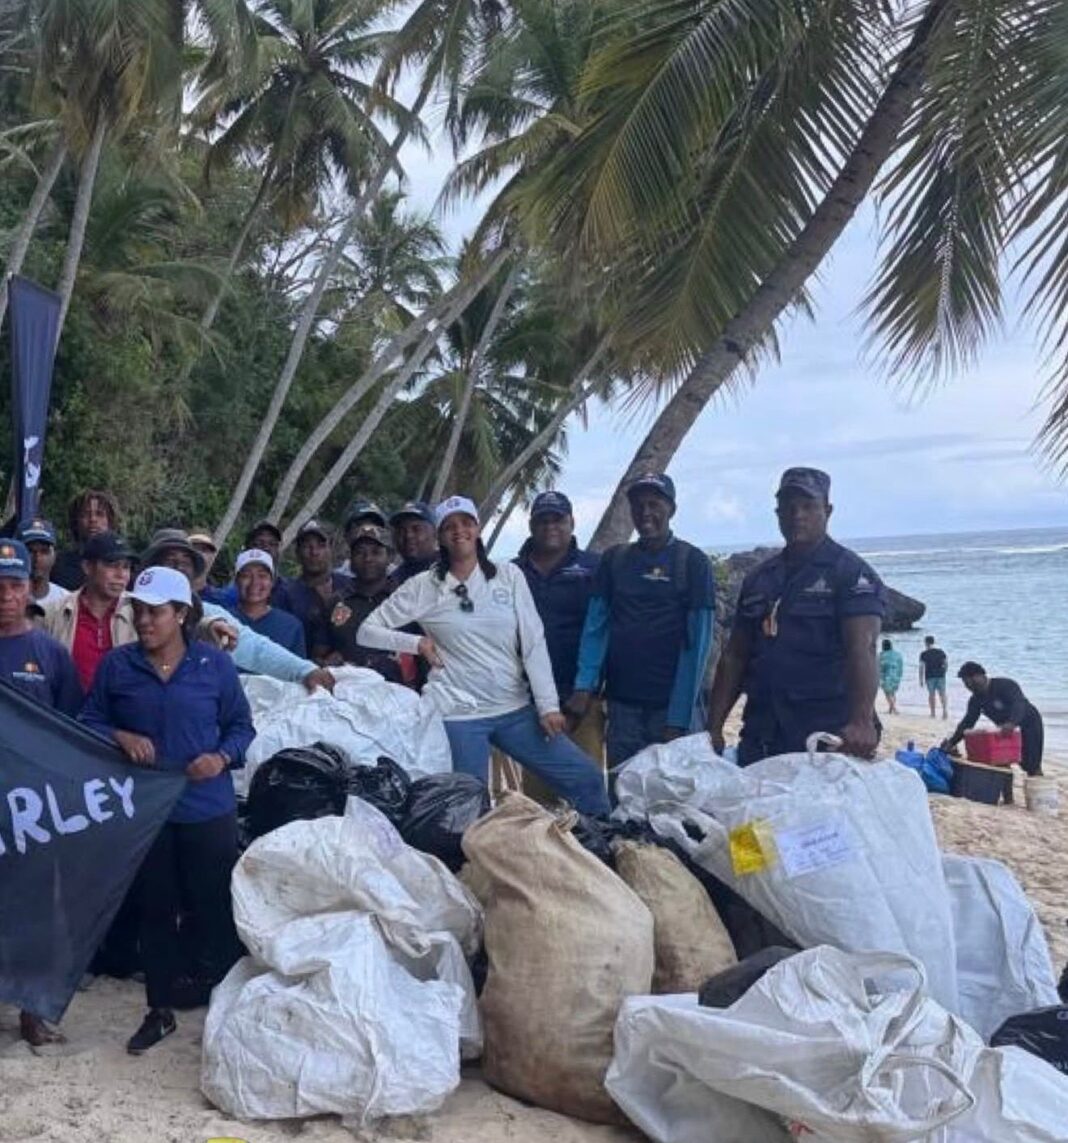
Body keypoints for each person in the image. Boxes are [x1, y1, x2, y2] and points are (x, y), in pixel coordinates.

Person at [80, 566, 255, 1053]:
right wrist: (122, 736)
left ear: (181, 615)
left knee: (213, 908)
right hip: (146, 812)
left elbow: (242, 729)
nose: (143, 620)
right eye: (138, 610)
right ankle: (158, 1010)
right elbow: (88, 720)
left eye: (155, 612)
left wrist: (220, 757)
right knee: (154, 910)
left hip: (207, 808)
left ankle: (220, 1005)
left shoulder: (213, 666)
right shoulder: (118, 667)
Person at [358, 496, 609, 814]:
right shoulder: (424, 585)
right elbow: (367, 631)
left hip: (515, 709)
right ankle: (469, 863)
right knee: (469, 807)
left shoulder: (509, 576)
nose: (458, 531)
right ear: (439, 536)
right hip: (459, 715)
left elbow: (533, 642)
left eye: (466, 523)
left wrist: (547, 706)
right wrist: (417, 644)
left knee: (586, 779)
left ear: (477, 529)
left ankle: (603, 847)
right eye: (449, 526)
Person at [708, 468, 886, 763]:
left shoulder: (851, 574)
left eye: (808, 506)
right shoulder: (759, 579)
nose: (797, 515)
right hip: (762, 734)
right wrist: (713, 727)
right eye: (788, 507)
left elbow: (863, 647)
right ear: (777, 513)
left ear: (827, 511)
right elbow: (735, 657)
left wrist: (862, 721)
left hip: (827, 736)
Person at [567, 473, 715, 766]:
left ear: (671, 509)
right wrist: (584, 686)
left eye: (654, 504)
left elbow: (698, 647)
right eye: (638, 505)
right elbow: (596, 629)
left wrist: (678, 718)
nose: (646, 512)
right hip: (623, 707)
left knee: (673, 800)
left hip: (671, 708)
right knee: (624, 794)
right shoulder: (616, 560)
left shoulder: (692, 562)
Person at [0, 539, 82, 1047]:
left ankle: (31, 1011)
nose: (4, 596)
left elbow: (73, 728)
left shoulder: (49, 654)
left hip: (31, 809)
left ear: (30, 589)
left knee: (33, 909)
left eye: (12, 585)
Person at [140, 528, 334, 691]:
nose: (178, 567)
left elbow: (253, 647)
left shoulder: (204, 613)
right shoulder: (125, 609)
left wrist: (306, 670)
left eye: (185, 561)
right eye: (170, 560)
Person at [514, 491, 603, 760]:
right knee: (539, 794)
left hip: (583, 700)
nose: (550, 527)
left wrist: (584, 692)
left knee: (587, 784)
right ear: (531, 526)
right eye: (543, 520)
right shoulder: (512, 573)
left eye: (558, 520)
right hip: (532, 702)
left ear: (572, 522)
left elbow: (602, 632)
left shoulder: (594, 568)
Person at [318, 524, 415, 684]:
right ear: (350, 559)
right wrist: (327, 662)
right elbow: (319, 653)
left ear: (390, 557)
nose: (368, 558)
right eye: (360, 553)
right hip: (344, 692)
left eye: (376, 552)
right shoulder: (336, 602)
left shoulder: (405, 600)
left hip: (396, 694)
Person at [40, 532, 137, 692]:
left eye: (126, 567)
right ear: (87, 567)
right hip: (63, 714)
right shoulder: (52, 613)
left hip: (120, 713)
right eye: (112, 565)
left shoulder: (139, 612)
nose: (121, 575)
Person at [943, 662, 1045, 776]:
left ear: (981, 676)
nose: (969, 685)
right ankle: (1008, 794)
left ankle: (1037, 782)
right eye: (966, 683)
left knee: (1031, 764)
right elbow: (967, 723)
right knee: (1001, 761)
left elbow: (1019, 704)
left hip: (1028, 723)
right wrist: (952, 742)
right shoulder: (976, 700)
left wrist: (1012, 723)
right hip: (1005, 730)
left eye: (971, 681)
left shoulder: (1005, 685)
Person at [276, 519, 350, 653]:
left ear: (330, 548)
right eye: (306, 546)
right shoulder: (285, 595)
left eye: (321, 545)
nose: (314, 552)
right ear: (297, 552)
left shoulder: (350, 587)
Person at [228, 548, 306, 657]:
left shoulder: (291, 626)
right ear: (236, 581)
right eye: (246, 576)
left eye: (262, 576)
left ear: (272, 582)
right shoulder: (223, 620)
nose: (255, 582)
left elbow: (300, 671)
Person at [53, 489, 120, 589]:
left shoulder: (123, 562)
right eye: (85, 514)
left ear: (110, 521)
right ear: (76, 522)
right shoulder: (59, 563)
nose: (93, 519)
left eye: (99, 514)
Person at [17, 518, 67, 606]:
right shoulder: (6, 600)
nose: (37, 558)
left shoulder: (66, 601)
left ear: (54, 556)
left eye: (44, 551)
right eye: (30, 551)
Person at [388, 501, 438, 584]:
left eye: (416, 529)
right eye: (401, 530)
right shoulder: (393, 580)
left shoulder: (450, 571)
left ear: (434, 533)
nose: (408, 536)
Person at [337, 500, 389, 575]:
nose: (368, 534)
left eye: (375, 527)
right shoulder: (335, 580)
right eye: (360, 526)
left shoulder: (397, 576)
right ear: (347, 536)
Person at [919, 634, 949, 719]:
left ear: (926, 643)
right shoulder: (940, 652)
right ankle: (945, 711)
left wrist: (921, 679)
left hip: (929, 676)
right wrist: (944, 671)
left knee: (931, 695)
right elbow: (946, 663)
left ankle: (933, 713)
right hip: (940, 675)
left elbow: (921, 667)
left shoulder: (923, 654)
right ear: (933, 642)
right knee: (942, 694)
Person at [879, 638, 904, 715]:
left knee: (887, 693)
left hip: (887, 677)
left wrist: (879, 678)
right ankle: (890, 709)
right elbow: (901, 665)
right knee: (892, 693)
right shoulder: (898, 654)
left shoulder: (882, 655)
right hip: (896, 676)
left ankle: (894, 709)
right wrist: (899, 675)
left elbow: (880, 667)